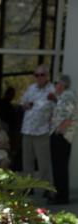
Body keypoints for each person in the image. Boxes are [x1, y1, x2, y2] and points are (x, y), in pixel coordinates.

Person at [20, 64, 55, 188]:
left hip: (42, 131)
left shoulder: (52, 90)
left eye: (42, 75)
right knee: (27, 161)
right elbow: (22, 102)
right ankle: (27, 187)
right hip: (27, 130)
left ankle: (46, 187)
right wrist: (25, 105)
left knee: (43, 162)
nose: (39, 77)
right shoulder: (31, 88)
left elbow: (56, 109)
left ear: (47, 76)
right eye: (36, 75)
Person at [48, 75, 77, 204]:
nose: (55, 86)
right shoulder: (63, 96)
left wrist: (60, 129)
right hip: (59, 134)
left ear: (63, 84)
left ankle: (61, 197)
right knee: (58, 166)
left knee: (60, 166)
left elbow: (70, 115)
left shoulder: (68, 95)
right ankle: (58, 194)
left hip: (62, 135)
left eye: (57, 83)